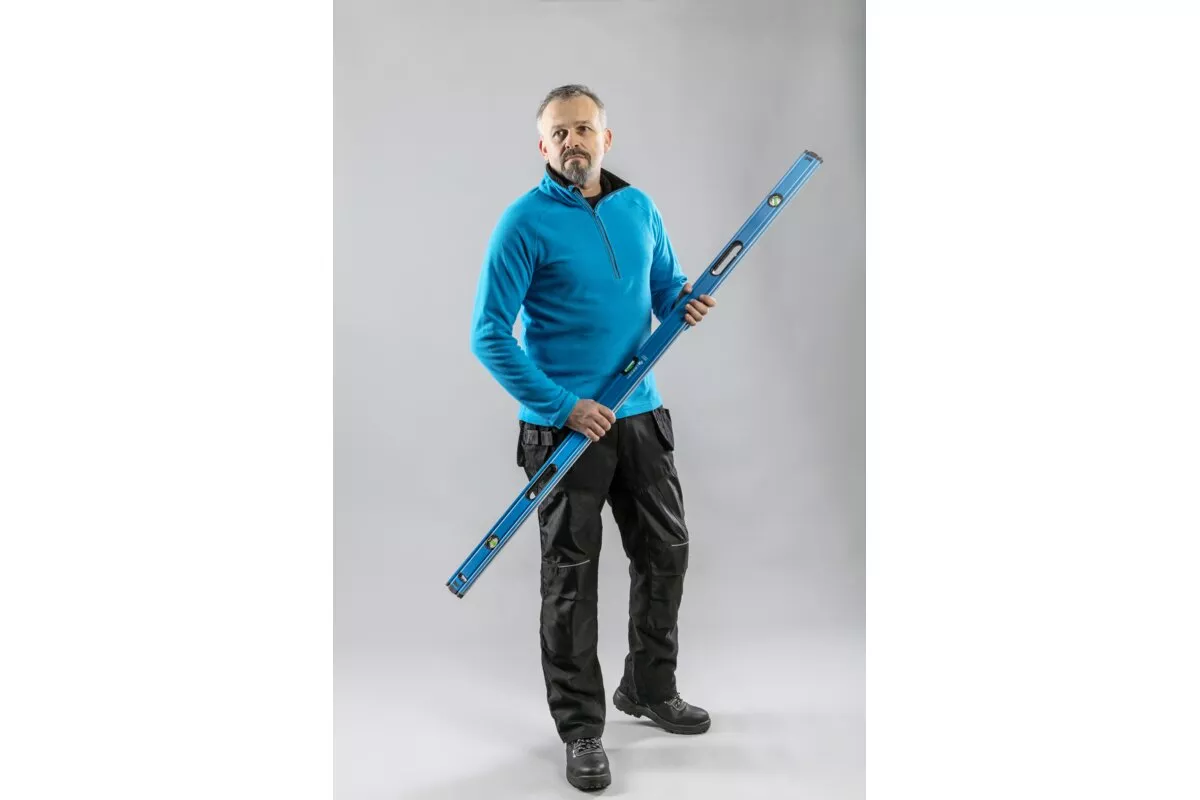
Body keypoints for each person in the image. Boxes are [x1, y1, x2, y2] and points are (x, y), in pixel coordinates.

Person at [469, 84, 717, 792]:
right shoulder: (523, 223)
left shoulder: (640, 208)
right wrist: (562, 406)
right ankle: (581, 728)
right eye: (559, 133)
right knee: (571, 581)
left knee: (666, 554)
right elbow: (488, 334)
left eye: (584, 128)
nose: (572, 141)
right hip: (564, 431)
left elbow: (664, 289)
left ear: (607, 138)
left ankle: (649, 687)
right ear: (542, 147)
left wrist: (684, 303)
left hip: (639, 415)